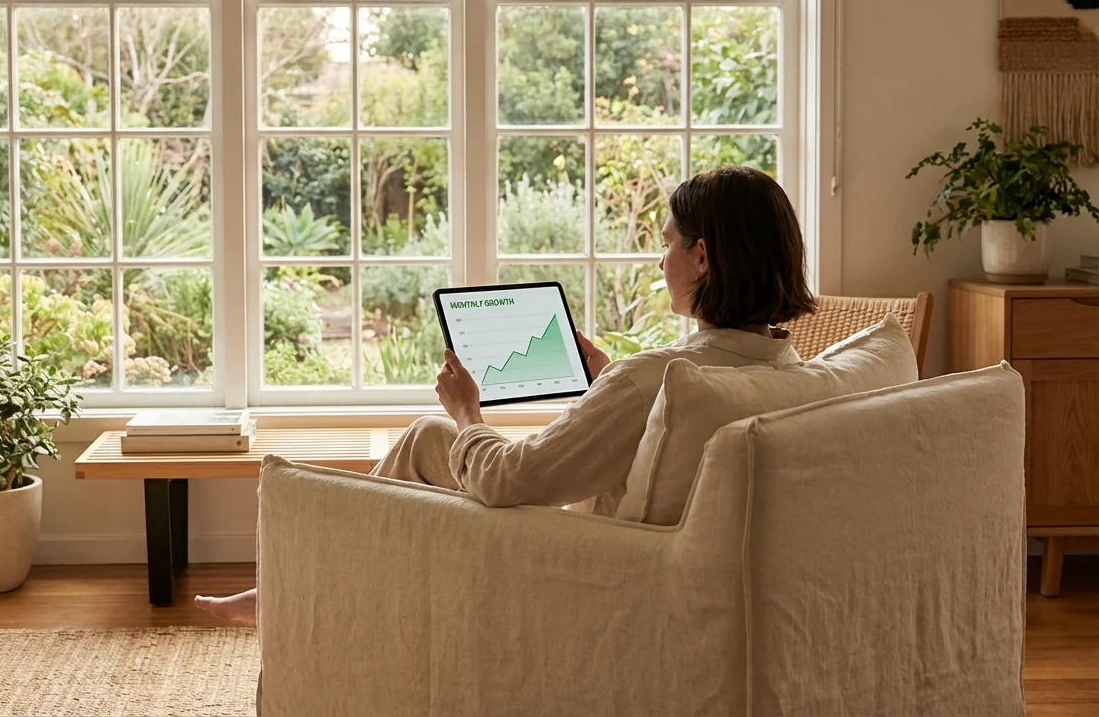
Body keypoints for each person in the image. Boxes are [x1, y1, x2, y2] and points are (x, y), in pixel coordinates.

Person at [196, 165, 816, 625]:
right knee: (431, 439)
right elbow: (669, 427)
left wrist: (469, 409)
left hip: (584, 567)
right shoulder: (791, 369)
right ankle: (291, 587)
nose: (660, 262)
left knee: (433, 435)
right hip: (689, 569)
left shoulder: (655, 377)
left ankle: (293, 592)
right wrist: (606, 379)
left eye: (668, 242)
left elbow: (509, 482)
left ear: (701, 257)